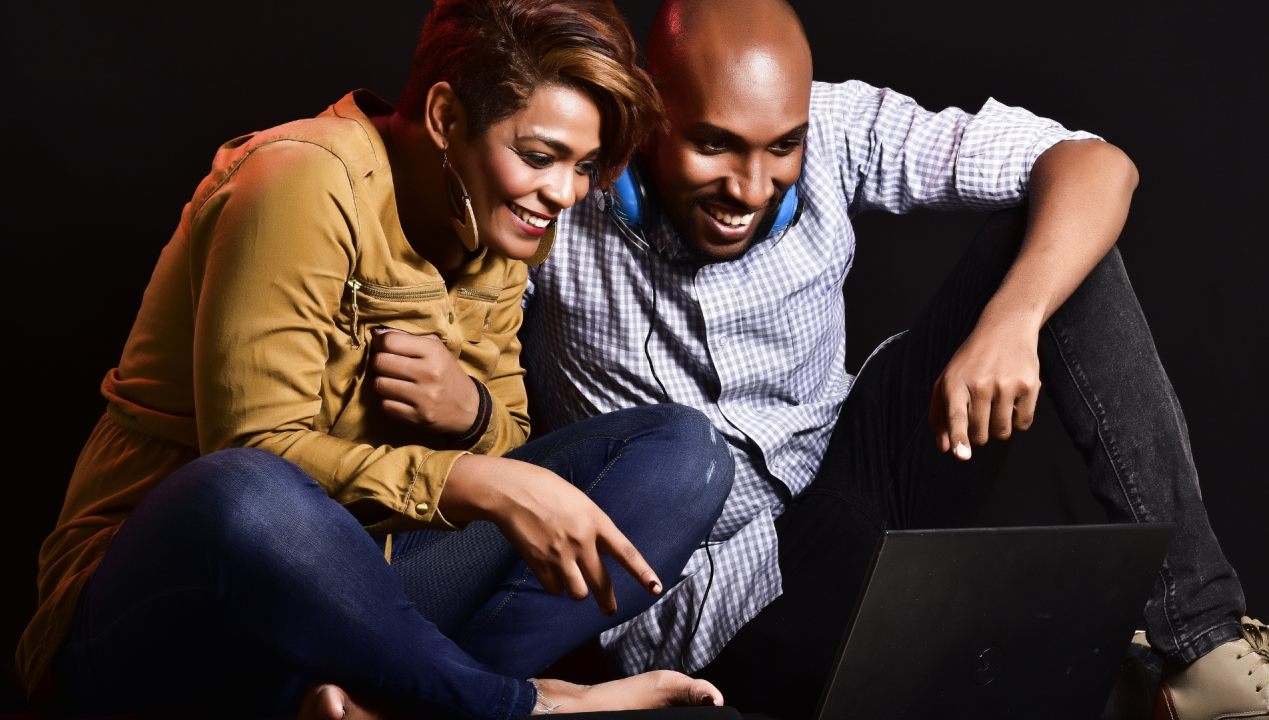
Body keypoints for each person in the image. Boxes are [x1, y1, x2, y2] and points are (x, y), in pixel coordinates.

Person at [518, 0, 1267, 718]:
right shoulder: (562, 191)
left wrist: (1014, 317)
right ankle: (1100, 672)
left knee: (1052, 247)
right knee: (1006, 671)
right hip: (721, 601)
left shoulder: (838, 126)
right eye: (713, 144)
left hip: (856, 478)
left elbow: (1098, 166)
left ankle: (1201, 646)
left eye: (782, 147)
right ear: (649, 115)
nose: (750, 188)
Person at [16, 1, 736, 717]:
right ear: (448, 118)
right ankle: (517, 706)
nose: (564, 193)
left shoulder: (503, 218)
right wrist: (475, 479)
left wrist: (472, 415)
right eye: (540, 156)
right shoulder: (301, 179)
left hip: (368, 613)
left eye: (583, 166)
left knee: (683, 454)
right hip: (168, 619)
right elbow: (255, 454)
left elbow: (509, 434)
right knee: (246, 489)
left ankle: (387, 705)